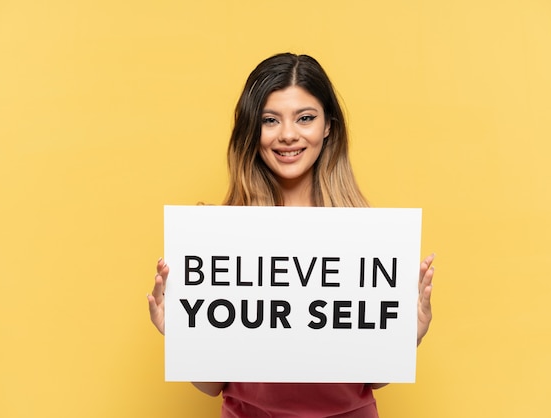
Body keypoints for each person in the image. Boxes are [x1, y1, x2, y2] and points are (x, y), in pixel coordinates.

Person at [147, 52, 435, 417]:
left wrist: (408, 335)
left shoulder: (365, 233)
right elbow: (212, 386)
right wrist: (183, 335)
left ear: (328, 126)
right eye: (270, 120)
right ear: (253, 130)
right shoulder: (217, 233)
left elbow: (372, 379)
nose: (287, 135)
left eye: (305, 118)